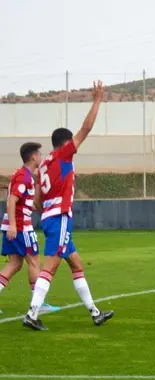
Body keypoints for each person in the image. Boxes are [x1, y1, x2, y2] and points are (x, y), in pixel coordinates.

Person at [23, 81, 114, 331]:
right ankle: (32, 313)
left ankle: (94, 312)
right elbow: (86, 128)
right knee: (51, 265)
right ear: (65, 143)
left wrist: (48, 212)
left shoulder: (44, 165)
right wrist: (97, 100)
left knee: (76, 264)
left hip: (51, 218)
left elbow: (38, 200)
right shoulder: (64, 155)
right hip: (61, 217)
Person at [0, 142, 61, 314]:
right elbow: (11, 200)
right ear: (33, 156)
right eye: (39, 154)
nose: (41, 157)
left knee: (14, 264)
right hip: (20, 226)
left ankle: (38, 303)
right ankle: (38, 304)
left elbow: (23, 201)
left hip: (15, 224)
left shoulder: (24, 175)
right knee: (34, 261)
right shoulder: (23, 176)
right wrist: (13, 225)